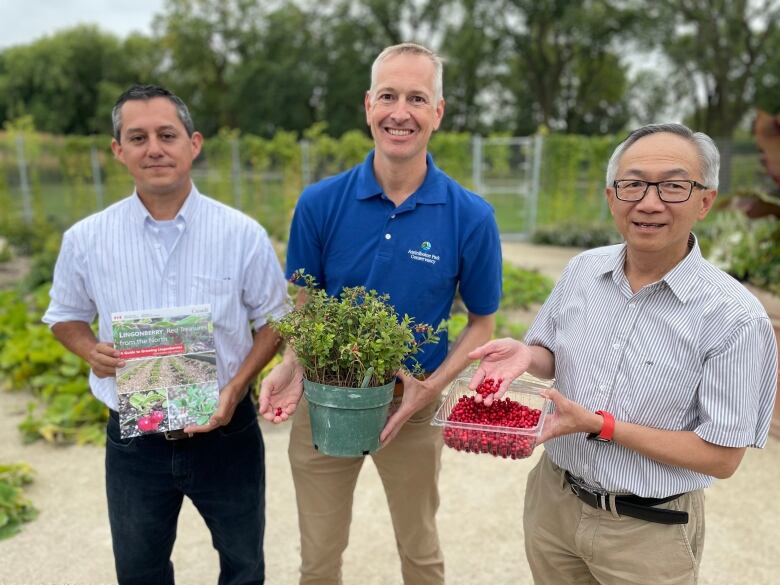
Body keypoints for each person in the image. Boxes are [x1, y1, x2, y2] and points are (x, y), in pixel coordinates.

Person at [468, 123, 778, 585]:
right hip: (555, 501)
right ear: (612, 196)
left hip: (648, 532)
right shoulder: (583, 270)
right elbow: (550, 350)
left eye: (674, 186)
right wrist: (526, 356)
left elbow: (722, 456)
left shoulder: (734, 317)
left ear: (705, 201)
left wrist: (600, 426)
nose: (649, 202)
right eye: (633, 184)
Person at [259, 43, 503, 584]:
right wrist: (290, 367)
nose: (400, 111)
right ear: (368, 105)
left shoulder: (470, 215)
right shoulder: (320, 203)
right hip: (324, 401)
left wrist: (430, 387)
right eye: (389, 95)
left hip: (411, 409)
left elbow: (482, 322)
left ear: (438, 113)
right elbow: (304, 304)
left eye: (417, 98)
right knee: (318, 558)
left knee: (420, 551)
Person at [43, 84, 289, 585]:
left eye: (166, 134)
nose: (154, 148)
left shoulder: (240, 234)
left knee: (243, 567)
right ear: (118, 150)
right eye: (137, 137)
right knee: (139, 573)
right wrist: (90, 349)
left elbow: (275, 319)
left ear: (193, 143)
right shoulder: (87, 239)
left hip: (227, 433)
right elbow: (64, 316)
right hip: (136, 441)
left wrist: (236, 387)